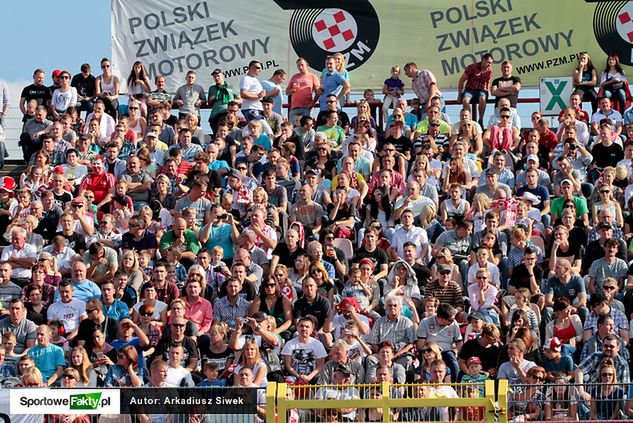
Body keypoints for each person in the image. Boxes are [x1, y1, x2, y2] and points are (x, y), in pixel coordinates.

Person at [458, 53, 494, 125]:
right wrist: (459, 95)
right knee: (465, 100)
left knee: (483, 98)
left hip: (481, 90)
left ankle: (480, 120)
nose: (489, 65)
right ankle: (469, 120)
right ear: (483, 60)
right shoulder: (472, 67)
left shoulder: (489, 70)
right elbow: (462, 80)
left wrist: (487, 91)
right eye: (488, 62)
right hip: (470, 89)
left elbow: (488, 81)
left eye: (491, 63)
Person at [286, 57, 320, 125]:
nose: (300, 67)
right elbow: (287, 92)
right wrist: (293, 89)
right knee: (292, 128)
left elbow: (318, 92)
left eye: (302, 65)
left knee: (307, 126)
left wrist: (312, 103)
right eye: (298, 66)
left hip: (307, 107)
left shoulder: (313, 76)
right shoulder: (294, 77)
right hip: (294, 107)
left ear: (307, 65)